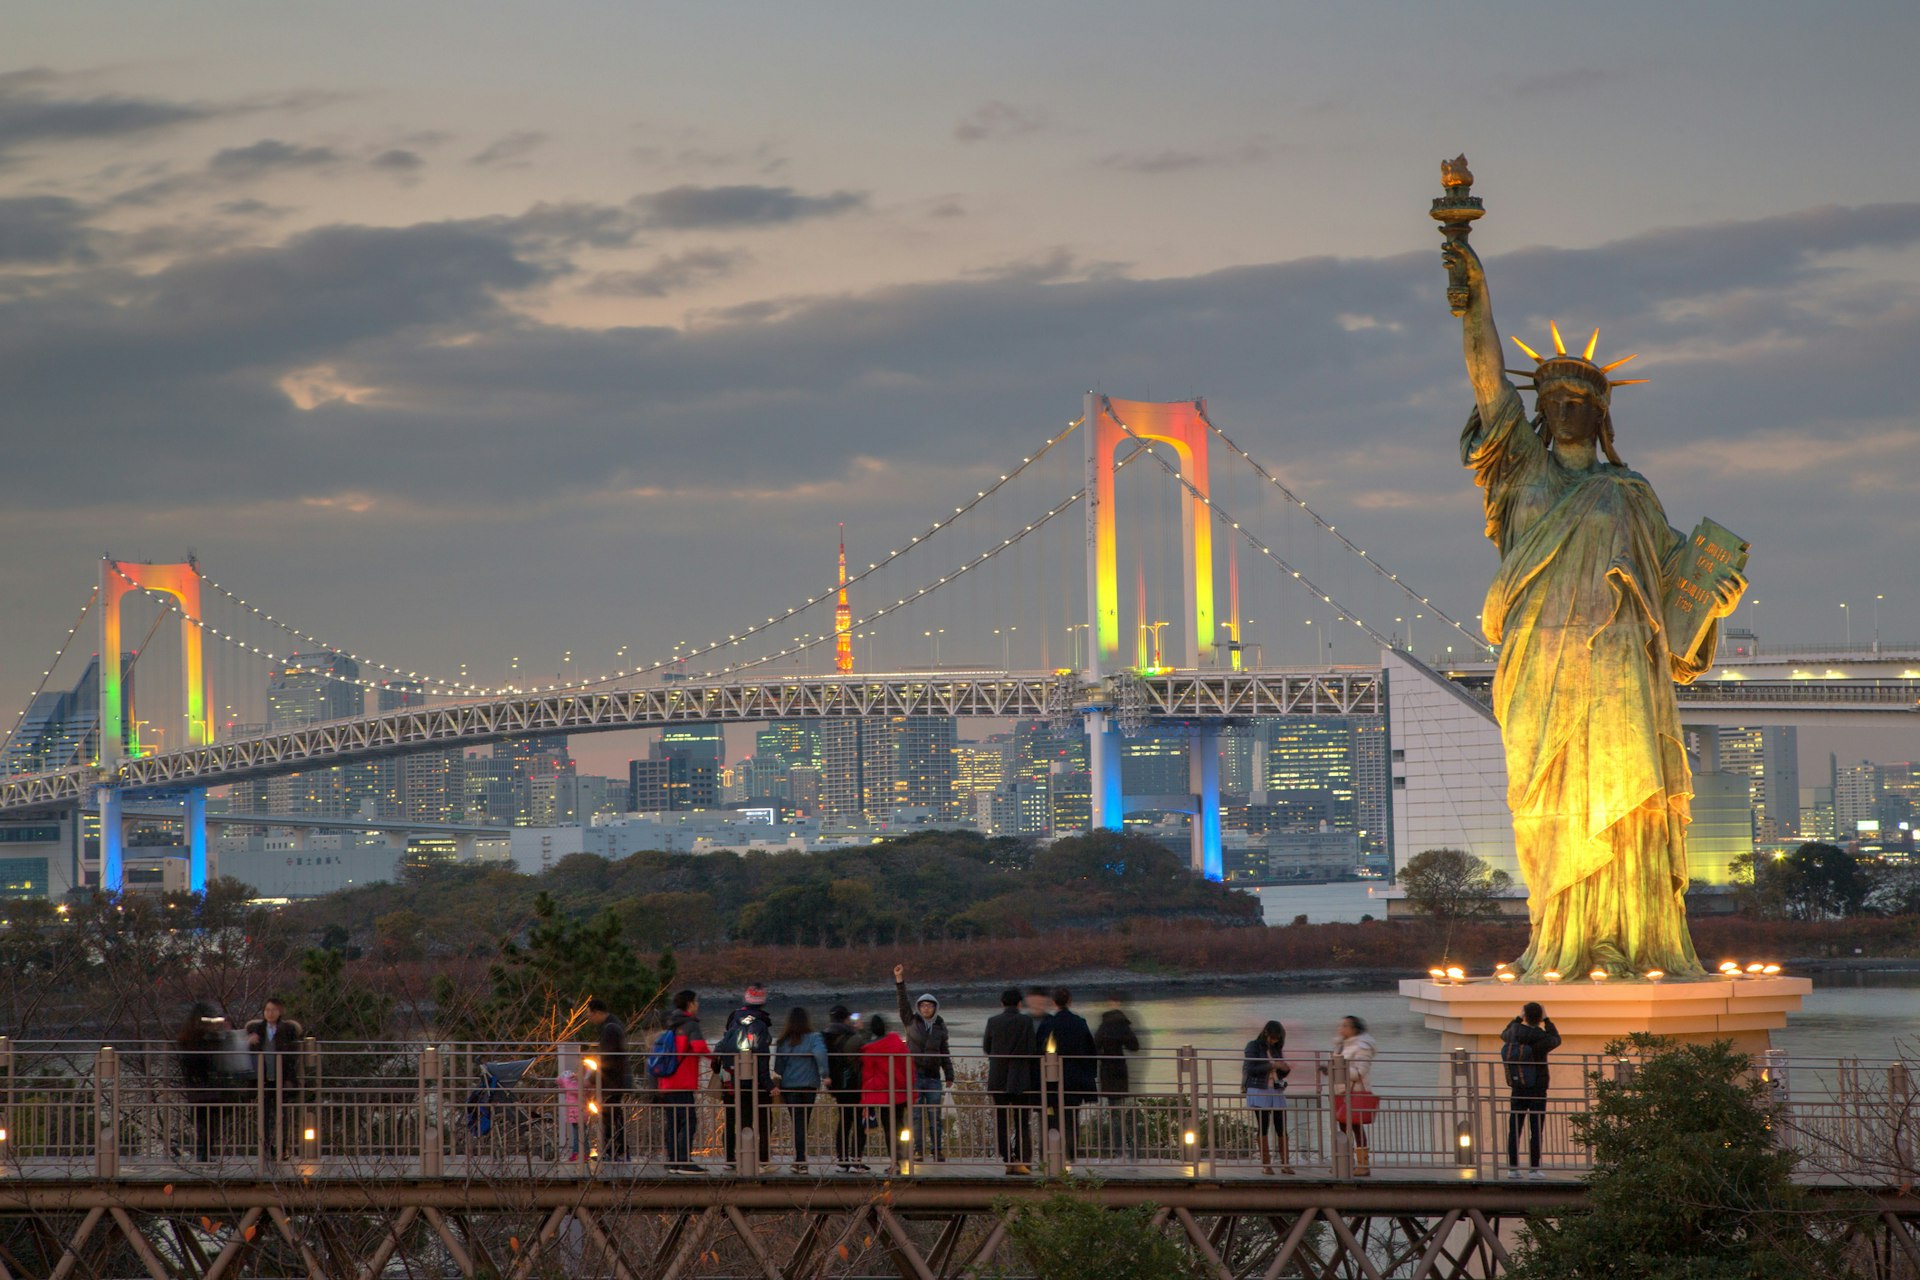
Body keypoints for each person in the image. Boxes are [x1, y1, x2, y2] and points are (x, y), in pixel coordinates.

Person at [1443, 233, 1745, 980]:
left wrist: (1720, 600)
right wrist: (1472, 294)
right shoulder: (1517, 472)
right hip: (1541, 664)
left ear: (1604, 414)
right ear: (1539, 410)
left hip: (1617, 668)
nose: (1570, 407)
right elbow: (1488, 384)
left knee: (1625, 798)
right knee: (1548, 805)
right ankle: (1561, 938)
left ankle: (1631, 941)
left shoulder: (1629, 493)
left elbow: (1680, 597)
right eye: (1556, 398)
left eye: (1584, 399)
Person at [893, 964, 955, 1162]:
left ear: (935, 1008)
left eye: (929, 1005)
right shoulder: (911, 1022)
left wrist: (949, 1074)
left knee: (934, 1116)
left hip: (933, 1077)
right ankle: (918, 1150)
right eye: (923, 1005)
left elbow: (944, 1052)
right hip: (915, 1075)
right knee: (917, 1116)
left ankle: (936, 1150)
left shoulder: (940, 1027)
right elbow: (903, 1003)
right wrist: (899, 980)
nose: (926, 1008)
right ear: (919, 1008)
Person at [712, 984, 776, 1169]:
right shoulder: (760, 1025)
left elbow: (722, 1047)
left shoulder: (734, 1019)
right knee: (763, 1117)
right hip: (753, 1082)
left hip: (730, 1080)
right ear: (763, 1003)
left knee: (733, 1117)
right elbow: (762, 1058)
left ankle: (731, 1159)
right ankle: (762, 1159)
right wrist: (769, 1084)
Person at [1037, 987, 1097, 1164]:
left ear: (1053, 1002)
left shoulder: (1048, 1025)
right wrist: (1089, 1075)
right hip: (1075, 1080)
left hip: (1051, 1080)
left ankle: (1049, 1155)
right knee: (1071, 1117)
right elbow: (1090, 1051)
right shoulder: (1079, 1023)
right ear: (1070, 1001)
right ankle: (1071, 1154)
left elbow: (1039, 1050)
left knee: (1051, 1117)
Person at [1501, 1002, 1561, 1179]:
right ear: (1539, 1017)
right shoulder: (1540, 1037)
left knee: (1515, 1128)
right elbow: (1556, 1039)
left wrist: (1518, 1019)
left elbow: (1503, 1034)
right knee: (1536, 1129)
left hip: (1518, 1086)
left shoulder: (1513, 1033)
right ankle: (1534, 1169)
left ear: (1525, 1016)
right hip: (1538, 1087)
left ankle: (1513, 1168)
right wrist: (1548, 1020)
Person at [983, 986, 1038, 1175]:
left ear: (1001, 1003)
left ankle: (1008, 1160)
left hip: (998, 1077)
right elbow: (1032, 1049)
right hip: (1021, 1078)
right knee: (1022, 1120)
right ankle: (1022, 1158)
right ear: (1020, 1004)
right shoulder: (1026, 1021)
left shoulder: (993, 1021)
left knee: (1001, 1120)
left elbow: (987, 1047)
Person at [655, 989, 708, 1175]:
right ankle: (685, 1161)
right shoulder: (690, 1025)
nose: (698, 1005)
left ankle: (673, 1161)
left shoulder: (671, 1023)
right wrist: (715, 1058)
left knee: (673, 1123)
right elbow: (699, 1047)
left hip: (666, 1081)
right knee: (689, 1121)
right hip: (682, 1082)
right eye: (696, 1002)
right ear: (690, 1004)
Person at [244, 997, 303, 1160]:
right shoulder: (257, 1028)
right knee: (264, 1115)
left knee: (281, 1115)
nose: (270, 1013)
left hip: (281, 1077)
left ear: (280, 1012)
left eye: (274, 1010)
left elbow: (293, 1055)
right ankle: (266, 1149)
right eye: (267, 1010)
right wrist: (249, 1042)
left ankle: (283, 1148)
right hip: (263, 1078)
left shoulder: (287, 1029)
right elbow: (246, 1048)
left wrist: (290, 1078)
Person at [773, 1006, 829, 1173]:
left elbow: (778, 1066)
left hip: (789, 1087)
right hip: (809, 1086)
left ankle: (799, 1159)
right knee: (804, 1121)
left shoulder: (783, 1041)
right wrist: (824, 1074)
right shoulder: (814, 1037)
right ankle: (801, 1160)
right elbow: (820, 1054)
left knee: (797, 1121)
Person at [1324, 1015, 1378, 1176]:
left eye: (1345, 1026)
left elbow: (1361, 1070)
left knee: (1355, 1126)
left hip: (1355, 1091)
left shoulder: (1362, 1046)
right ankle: (1345, 1161)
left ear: (1354, 1029)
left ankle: (1362, 1164)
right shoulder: (1341, 1045)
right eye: (1341, 1025)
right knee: (1342, 1127)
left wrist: (1339, 1072)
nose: (1341, 1028)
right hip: (1340, 1091)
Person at [176, 1002, 230, 1162]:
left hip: (195, 1084)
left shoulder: (186, 1039)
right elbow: (215, 1057)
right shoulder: (207, 1039)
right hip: (207, 1082)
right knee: (210, 1118)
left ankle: (203, 1150)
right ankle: (206, 1150)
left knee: (201, 1118)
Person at [860, 1014, 912, 1169]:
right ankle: (901, 1154)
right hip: (900, 1091)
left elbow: (868, 1075)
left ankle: (894, 1161)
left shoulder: (870, 1049)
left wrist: (866, 1097)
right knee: (898, 1124)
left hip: (883, 1094)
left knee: (888, 1127)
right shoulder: (898, 1044)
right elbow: (908, 1066)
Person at [1243, 1020, 1293, 1175]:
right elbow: (1251, 1068)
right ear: (1266, 1033)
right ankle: (1266, 1164)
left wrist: (1284, 1069)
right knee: (1263, 1125)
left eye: (1278, 1039)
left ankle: (1285, 1163)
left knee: (1281, 1126)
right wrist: (1272, 1065)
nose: (1275, 1041)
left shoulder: (1276, 1048)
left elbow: (1280, 1071)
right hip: (1259, 1089)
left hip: (1275, 1089)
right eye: (1273, 1038)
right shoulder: (1253, 1046)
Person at [1093, 1001, 1142, 1158]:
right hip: (1120, 1071)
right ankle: (1130, 1146)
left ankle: (1120, 1147)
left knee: (1114, 1111)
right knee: (1120, 1111)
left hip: (1107, 1071)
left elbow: (1094, 1047)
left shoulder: (1103, 1027)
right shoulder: (1123, 1026)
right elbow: (1134, 1046)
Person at [585, 997, 631, 1161]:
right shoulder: (613, 1025)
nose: (590, 1019)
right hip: (616, 1079)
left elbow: (607, 1058)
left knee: (610, 1116)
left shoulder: (609, 1029)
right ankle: (616, 1151)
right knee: (612, 1115)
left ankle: (614, 1152)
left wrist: (590, 1078)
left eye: (590, 1015)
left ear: (596, 1012)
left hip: (613, 1081)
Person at [823, 1006, 869, 1172]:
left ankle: (842, 1160)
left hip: (837, 1085)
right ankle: (856, 1159)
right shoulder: (852, 1036)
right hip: (854, 1084)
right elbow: (866, 1049)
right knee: (858, 1122)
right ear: (846, 1019)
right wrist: (861, 1031)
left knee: (844, 1122)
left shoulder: (826, 1035)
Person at [558, 1067, 583, 1162]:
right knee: (577, 1133)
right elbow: (558, 1081)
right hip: (574, 1113)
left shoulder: (577, 1084)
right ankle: (580, 1153)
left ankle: (578, 1153)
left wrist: (567, 1078)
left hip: (579, 1112)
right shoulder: (573, 1082)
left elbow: (572, 1089)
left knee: (579, 1134)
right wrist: (566, 1075)